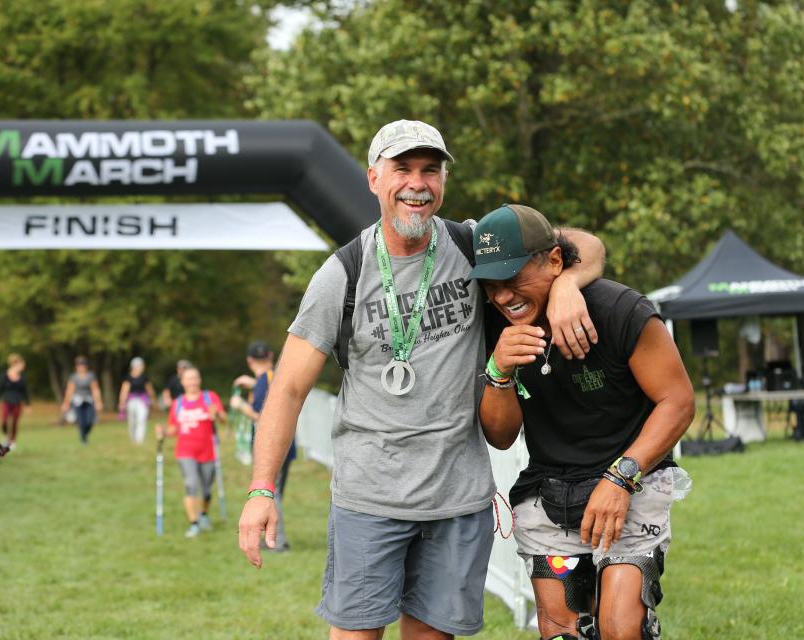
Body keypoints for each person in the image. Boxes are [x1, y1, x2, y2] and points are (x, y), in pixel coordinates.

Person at [238, 119, 605, 639]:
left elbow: (586, 245)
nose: (418, 183)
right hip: (370, 499)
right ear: (372, 179)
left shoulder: (472, 244)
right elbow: (289, 388)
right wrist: (261, 490)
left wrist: (565, 282)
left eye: (430, 170)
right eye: (403, 168)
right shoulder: (342, 275)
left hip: (457, 499)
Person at [472, 204, 696, 640]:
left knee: (620, 629)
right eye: (491, 287)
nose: (503, 297)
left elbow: (678, 401)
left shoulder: (617, 309)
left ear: (554, 261)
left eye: (514, 280)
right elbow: (501, 437)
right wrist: (498, 372)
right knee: (561, 633)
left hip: (632, 484)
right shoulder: (494, 325)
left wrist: (620, 478)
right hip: (549, 494)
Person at [231, 340, 294, 551]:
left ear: (249, 360)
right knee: (274, 495)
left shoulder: (263, 381)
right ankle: (273, 538)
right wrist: (254, 383)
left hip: (270, 448)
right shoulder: (273, 376)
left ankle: (278, 542)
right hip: (286, 445)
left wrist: (240, 406)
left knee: (268, 494)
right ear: (271, 356)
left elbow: (261, 416)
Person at [156, 366, 227, 538]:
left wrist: (216, 414)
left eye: (195, 378)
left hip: (208, 451)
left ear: (199, 379)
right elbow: (174, 429)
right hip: (185, 451)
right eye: (188, 379)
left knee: (206, 489)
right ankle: (193, 522)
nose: (192, 382)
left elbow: (225, 419)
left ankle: (203, 514)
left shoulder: (210, 398)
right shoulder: (178, 403)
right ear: (183, 382)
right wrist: (163, 432)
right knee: (191, 483)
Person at [0, 354, 30, 450]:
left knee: (15, 423)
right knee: (4, 421)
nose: (23, 367)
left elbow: (25, 392)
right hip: (6, 401)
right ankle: (6, 436)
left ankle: (12, 441)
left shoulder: (22, 378)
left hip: (17, 402)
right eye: (22, 365)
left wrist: (28, 404)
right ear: (15, 364)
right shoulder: (4, 376)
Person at [61, 356, 103, 444]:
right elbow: (70, 390)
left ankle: (85, 434)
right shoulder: (74, 377)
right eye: (79, 365)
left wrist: (98, 402)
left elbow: (95, 389)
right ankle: (83, 438)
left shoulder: (90, 376)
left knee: (90, 420)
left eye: (83, 365)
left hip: (89, 400)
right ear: (76, 367)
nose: (81, 367)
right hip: (77, 401)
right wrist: (66, 403)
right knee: (81, 420)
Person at [118, 357, 157, 444]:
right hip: (131, 401)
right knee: (132, 421)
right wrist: (122, 402)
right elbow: (124, 390)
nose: (142, 367)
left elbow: (149, 389)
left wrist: (153, 400)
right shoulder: (128, 378)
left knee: (142, 419)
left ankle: (139, 440)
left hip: (142, 401)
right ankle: (133, 438)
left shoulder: (144, 377)